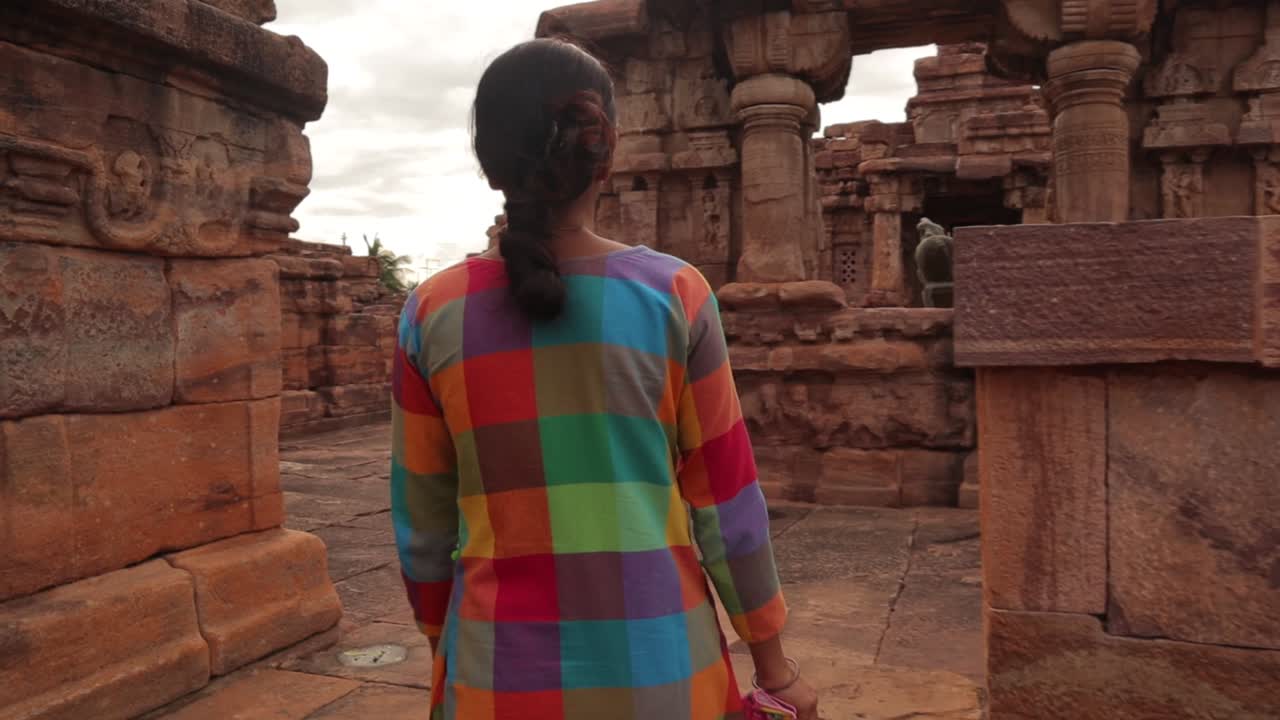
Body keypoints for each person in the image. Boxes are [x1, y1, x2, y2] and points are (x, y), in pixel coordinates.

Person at [390, 38, 819, 720]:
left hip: (495, 675)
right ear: (607, 153)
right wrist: (775, 668)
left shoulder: (432, 312)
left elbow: (423, 525)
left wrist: (446, 640)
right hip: (665, 671)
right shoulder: (675, 295)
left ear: (490, 161)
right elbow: (728, 508)